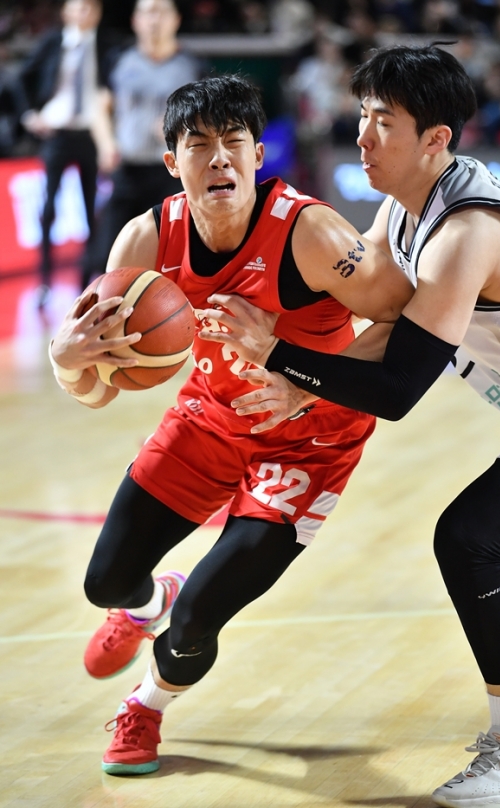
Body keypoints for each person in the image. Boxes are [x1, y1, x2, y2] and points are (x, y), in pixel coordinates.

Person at [198, 44, 500, 807]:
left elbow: (397, 389)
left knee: (469, 538)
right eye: (362, 114)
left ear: (435, 139)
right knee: (472, 537)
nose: (360, 134)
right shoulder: (408, 207)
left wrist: (280, 356)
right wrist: (297, 388)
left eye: (382, 121)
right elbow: (391, 321)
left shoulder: (467, 233)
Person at [48, 74, 413, 776]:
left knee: (197, 621)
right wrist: (67, 363)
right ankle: (147, 601)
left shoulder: (312, 235)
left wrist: (303, 382)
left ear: (256, 156)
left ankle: (146, 705)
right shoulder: (145, 240)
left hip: (311, 442)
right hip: (209, 419)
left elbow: (408, 319)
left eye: (234, 142)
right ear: (171, 162)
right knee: (106, 584)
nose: (219, 157)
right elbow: (97, 392)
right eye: (199, 144)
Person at [90, 0, 201, 288]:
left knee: (171, 257)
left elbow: (205, 121)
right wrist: (106, 144)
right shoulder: (119, 60)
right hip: (127, 169)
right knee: (108, 255)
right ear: (135, 21)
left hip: (171, 174)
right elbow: (100, 107)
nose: (154, 20)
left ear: (176, 20)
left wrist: (179, 125)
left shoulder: (192, 66)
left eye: (161, 12)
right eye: (147, 12)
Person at [17, 0, 112, 305]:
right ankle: (44, 281)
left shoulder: (106, 45)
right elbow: (21, 77)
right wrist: (29, 114)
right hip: (57, 133)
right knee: (49, 208)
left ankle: (87, 281)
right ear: (66, 12)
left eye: (89, 8)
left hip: (90, 134)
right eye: (78, 7)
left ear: (97, 13)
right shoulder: (53, 42)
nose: (84, 13)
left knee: (90, 208)